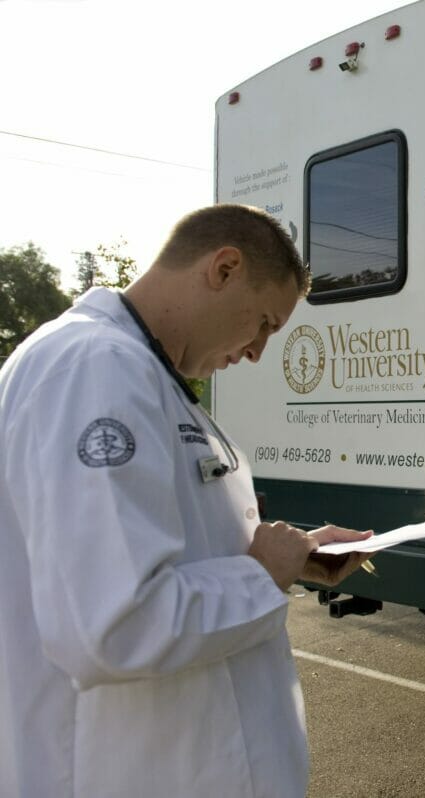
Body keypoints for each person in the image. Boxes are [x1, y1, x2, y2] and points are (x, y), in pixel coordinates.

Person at [0, 204, 373, 797]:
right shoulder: (96, 367)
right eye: (265, 323)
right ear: (224, 269)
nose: (257, 352)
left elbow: (167, 555)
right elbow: (114, 623)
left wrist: (295, 555)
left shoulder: (140, 373)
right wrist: (260, 575)